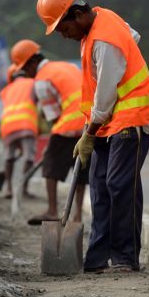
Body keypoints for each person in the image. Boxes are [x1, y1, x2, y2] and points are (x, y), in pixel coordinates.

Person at [36, 0, 149, 273]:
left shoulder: (104, 40)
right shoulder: (101, 22)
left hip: (130, 119)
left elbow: (105, 94)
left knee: (119, 184)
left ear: (76, 15)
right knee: (100, 188)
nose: (64, 36)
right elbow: (133, 37)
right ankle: (97, 259)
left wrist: (87, 134)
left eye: (63, 29)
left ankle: (126, 257)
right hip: (107, 122)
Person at [9, 39, 88, 226]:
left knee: (50, 166)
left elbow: (54, 116)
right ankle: (77, 217)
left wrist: (50, 145)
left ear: (32, 63)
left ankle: (52, 211)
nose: (26, 75)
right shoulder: (64, 66)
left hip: (69, 125)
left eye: (25, 70)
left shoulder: (42, 80)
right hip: (89, 124)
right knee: (80, 170)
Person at [0, 64, 38, 199]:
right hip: (26, 124)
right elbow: (40, 103)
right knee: (29, 157)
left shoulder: (6, 90)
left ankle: (8, 188)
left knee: (9, 157)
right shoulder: (32, 83)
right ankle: (23, 189)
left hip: (7, 127)